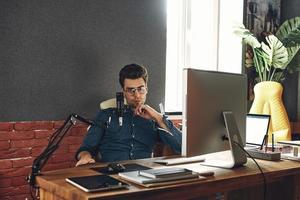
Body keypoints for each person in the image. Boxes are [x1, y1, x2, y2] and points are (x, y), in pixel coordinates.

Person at [75, 63, 182, 166]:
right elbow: (86, 148)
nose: (137, 95)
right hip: (112, 175)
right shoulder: (106, 115)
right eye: (131, 90)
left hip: (144, 174)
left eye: (141, 89)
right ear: (124, 92)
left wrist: (158, 117)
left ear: (146, 89)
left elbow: (181, 146)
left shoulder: (155, 119)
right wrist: (85, 157)